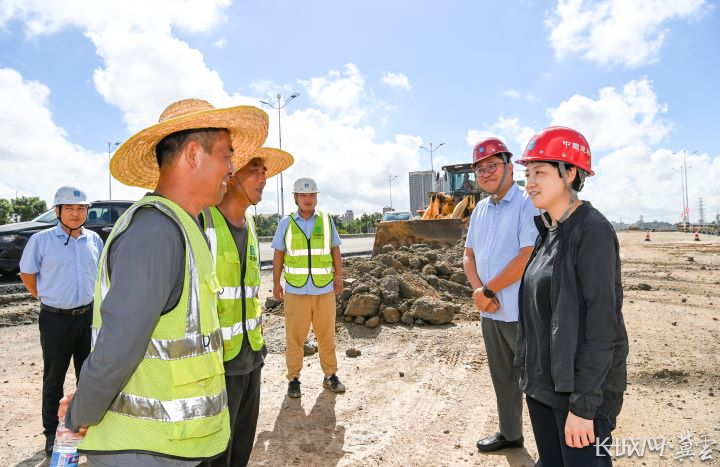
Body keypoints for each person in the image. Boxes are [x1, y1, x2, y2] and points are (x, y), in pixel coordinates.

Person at [60, 98, 269, 466]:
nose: (232, 167)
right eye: (226, 155)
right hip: (144, 448)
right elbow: (118, 347)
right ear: (193, 154)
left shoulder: (186, 228)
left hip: (173, 445)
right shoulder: (155, 231)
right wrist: (79, 413)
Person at [516, 126, 629, 466]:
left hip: (578, 397)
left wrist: (583, 408)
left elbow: (602, 328)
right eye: (527, 173)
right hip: (542, 388)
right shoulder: (548, 233)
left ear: (571, 174)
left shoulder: (591, 231)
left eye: (540, 172)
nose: (529, 182)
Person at [201, 147, 293, 466]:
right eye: (255, 169)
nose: (264, 178)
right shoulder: (204, 224)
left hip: (251, 356)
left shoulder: (250, 226)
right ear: (231, 174)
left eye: (265, 171)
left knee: (241, 450)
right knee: (214, 456)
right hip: (216, 365)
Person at [462, 137, 539, 453]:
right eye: (480, 169)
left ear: (509, 166)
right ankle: (510, 434)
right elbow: (468, 256)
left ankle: (552, 448)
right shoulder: (480, 209)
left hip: (520, 313)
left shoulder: (526, 203)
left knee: (536, 384)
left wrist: (489, 289)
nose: (485, 173)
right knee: (502, 378)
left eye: (492, 165)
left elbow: (527, 255)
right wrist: (479, 292)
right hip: (490, 312)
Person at [18, 186, 103, 456]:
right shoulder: (41, 240)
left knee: (88, 376)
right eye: (69, 208)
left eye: (81, 208)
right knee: (54, 377)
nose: (76, 213)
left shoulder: (94, 240)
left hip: (88, 317)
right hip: (55, 319)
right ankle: (51, 434)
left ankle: (86, 430)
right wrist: (44, 297)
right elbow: (27, 273)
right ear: (58, 211)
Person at [271, 177, 345, 398]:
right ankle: (293, 379)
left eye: (312, 195)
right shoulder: (286, 223)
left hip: (323, 290)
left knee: (327, 336)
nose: (308, 199)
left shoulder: (326, 219)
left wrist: (339, 276)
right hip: (296, 290)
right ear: (295, 198)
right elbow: (278, 254)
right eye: (303, 195)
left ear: (316, 197)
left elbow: (335, 250)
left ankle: (330, 375)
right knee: (294, 338)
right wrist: (276, 283)